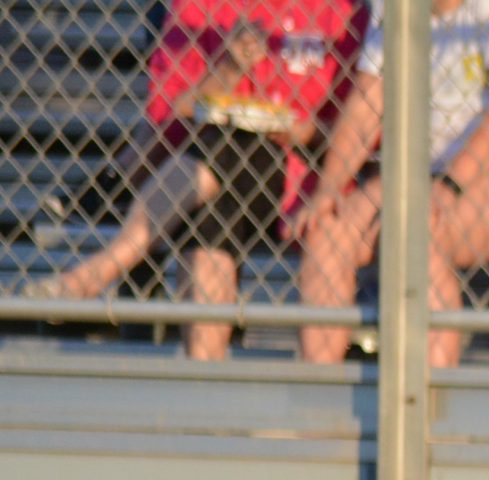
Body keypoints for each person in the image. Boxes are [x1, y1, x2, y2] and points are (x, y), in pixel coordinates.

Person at [27, 0, 363, 361]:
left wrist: (303, 130)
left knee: (227, 161)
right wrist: (228, 69)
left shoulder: (342, 11)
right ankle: (205, 369)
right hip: (214, 175)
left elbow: (364, 127)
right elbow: (168, 121)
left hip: (304, 178)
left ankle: (101, 268)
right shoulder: (201, 7)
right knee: (221, 168)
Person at [296, 0, 489, 367]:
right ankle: (320, 404)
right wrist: (328, 189)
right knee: (327, 229)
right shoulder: (396, 7)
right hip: (423, 177)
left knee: (415, 232)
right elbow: (367, 103)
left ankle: (430, 406)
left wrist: (450, 186)